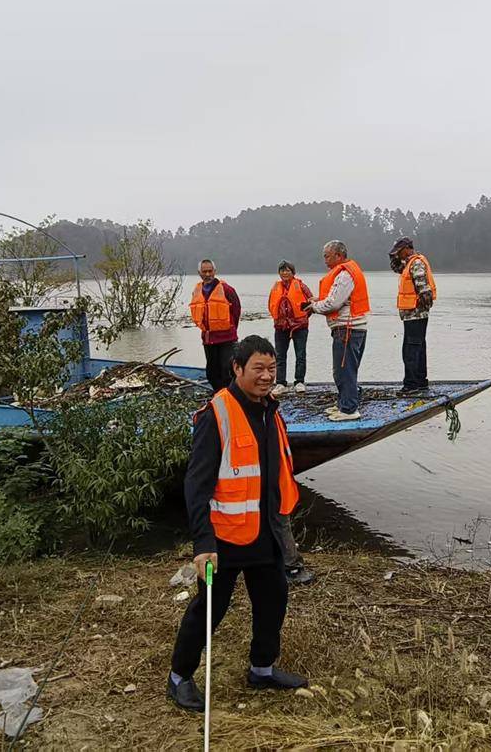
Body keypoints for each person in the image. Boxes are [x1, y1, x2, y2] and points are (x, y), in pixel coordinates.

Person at [167, 336, 309, 712]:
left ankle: (261, 669)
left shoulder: (269, 410)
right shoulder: (217, 415)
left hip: (264, 533)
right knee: (209, 610)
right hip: (224, 538)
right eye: (258, 369)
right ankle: (180, 677)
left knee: (273, 601)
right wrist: (203, 543)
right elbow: (196, 485)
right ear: (237, 369)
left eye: (272, 369)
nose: (266, 377)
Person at [303, 240, 370, 421]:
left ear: (338, 255)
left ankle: (349, 409)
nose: (324, 259)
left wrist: (314, 307)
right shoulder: (345, 272)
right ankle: (343, 404)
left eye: (327, 255)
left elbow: (334, 303)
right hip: (353, 328)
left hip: (348, 328)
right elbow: (337, 298)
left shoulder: (345, 274)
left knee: (344, 370)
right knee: (345, 369)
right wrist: (317, 300)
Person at [389, 237, 436, 395]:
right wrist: (394, 258)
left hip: (415, 313)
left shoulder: (416, 263)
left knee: (411, 350)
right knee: (418, 347)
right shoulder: (409, 263)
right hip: (414, 313)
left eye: (400, 251)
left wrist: (422, 304)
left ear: (407, 249)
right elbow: (398, 268)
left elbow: (423, 287)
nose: (399, 255)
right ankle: (421, 382)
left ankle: (411, 385)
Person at [189, 259, 240, 391]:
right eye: (204, 271)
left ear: (214, 271)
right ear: (199, 273)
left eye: (210, 271)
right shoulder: (197, 290)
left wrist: (232, 329)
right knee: (212, 371)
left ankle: (230, 395)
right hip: (208, 338)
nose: (207, 274)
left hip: (227, 338)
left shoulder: (227, 289)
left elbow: (236, 310)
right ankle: (218, 394)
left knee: (227, 370)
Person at [268, 260, 313, 396]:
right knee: (280, 355)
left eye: (288, 270)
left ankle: (299, 381)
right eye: (282, 270)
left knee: (300, 355)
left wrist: (303, 318)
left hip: (300, 326)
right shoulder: (275, 287)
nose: (285, 273)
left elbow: (311, 303)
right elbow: (270, 304)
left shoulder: (301, 286)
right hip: (281, 327)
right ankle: (280, 383)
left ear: (293, 272)